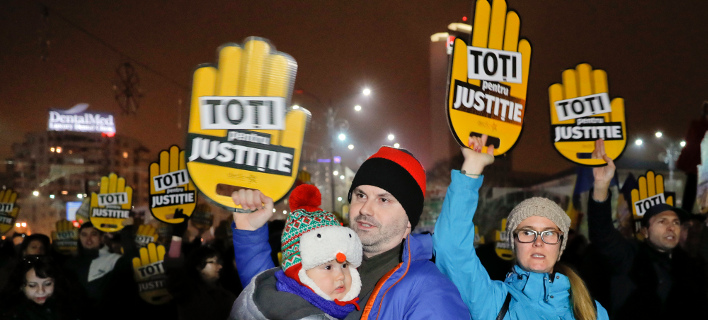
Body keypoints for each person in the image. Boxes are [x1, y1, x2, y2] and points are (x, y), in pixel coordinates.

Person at [231, 146, 469, 319]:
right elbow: (279, 300)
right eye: (360, 195)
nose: (365, 208)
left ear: (409, 222)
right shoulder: (333, 259)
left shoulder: (430, 292)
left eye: (384, 200)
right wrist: (249, 233)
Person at [433, 135, 609, 320]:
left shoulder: (591, 311)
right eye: (527, 232)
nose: (538, 242)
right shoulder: (493, 303)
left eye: (549, 233)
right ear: (514, 243)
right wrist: (472, 169)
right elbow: (451, 248)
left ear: (560, 246)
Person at [588, 139, 708, 319]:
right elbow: (602, 233)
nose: (671, 227)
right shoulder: (629, 256)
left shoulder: (689, 264)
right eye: (662, 221)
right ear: (645, 231)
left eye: (676, 222)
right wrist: (600, 187)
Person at [231, 184, 363, 319]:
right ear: (298, 272)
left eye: (345, 265)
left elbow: (261, 284)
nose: (341, 276)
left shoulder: (285, 300)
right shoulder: (292, 312)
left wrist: (249, 231)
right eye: (328, 266)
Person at [165, 218, 236, 320]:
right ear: (199, 267)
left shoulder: (226, 290)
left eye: (218, 262)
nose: (219, 266)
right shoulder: (187, 291)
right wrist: (177, 236)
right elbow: (173, 268)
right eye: (212, 262)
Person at [62, 222, 136, 319]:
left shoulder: (114, 260)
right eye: (84, 235)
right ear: (79, 238)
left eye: (93, 234)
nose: (88, 239)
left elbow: (131, 262)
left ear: (101, 238)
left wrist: (127, 230)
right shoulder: (70, 264)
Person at [0, 255, 80, 319]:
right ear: (21, 286)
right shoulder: (11, 312)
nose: (41, 291)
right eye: (32, 286)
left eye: (47, 284)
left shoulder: (69, 305)